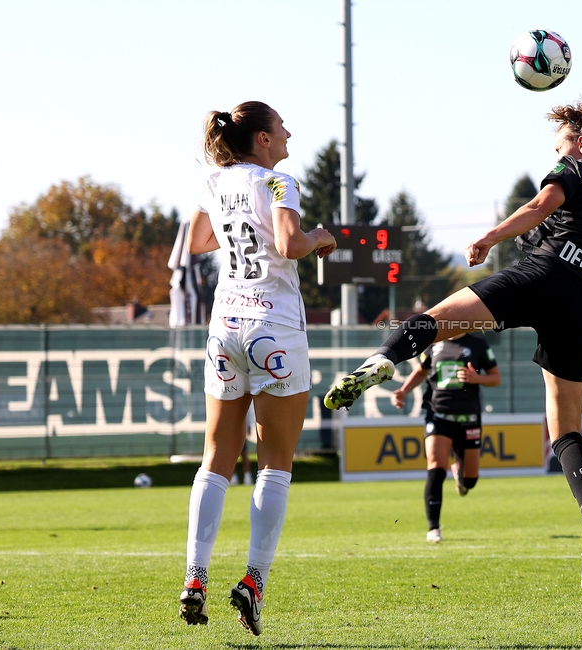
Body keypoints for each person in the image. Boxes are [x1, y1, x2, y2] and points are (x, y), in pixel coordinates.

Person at [325, 99, 582, 591]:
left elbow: (540, 208)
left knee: (435, 320)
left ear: (578, 140)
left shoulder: (577, 168)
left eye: (559, 141)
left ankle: (381, 361)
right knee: (565, 429)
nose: (556, 148)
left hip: (543, 274)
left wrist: (489, 238)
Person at [179, 100, 336, 635]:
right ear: (263, 140)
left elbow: (196, 243)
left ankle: (195, 577)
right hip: (275, 327)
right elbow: (291, 244)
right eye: (282, 126)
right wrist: (320, 238)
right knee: (276, 464)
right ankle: (252, 583)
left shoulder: (214, 182)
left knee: (216, 458)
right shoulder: (278, 183)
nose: (289, 132)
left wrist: (238, 226)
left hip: (225, 325)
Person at [391, 333, 501, 543]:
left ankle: (460, 474)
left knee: (471, 480)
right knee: (435, 467)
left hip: (468, 417)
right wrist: (404, 391)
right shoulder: (434, 344)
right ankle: (434, 528)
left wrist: (477, 378)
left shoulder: (478, 344)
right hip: (438, 414)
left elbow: (496, 377)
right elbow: (421, 371)